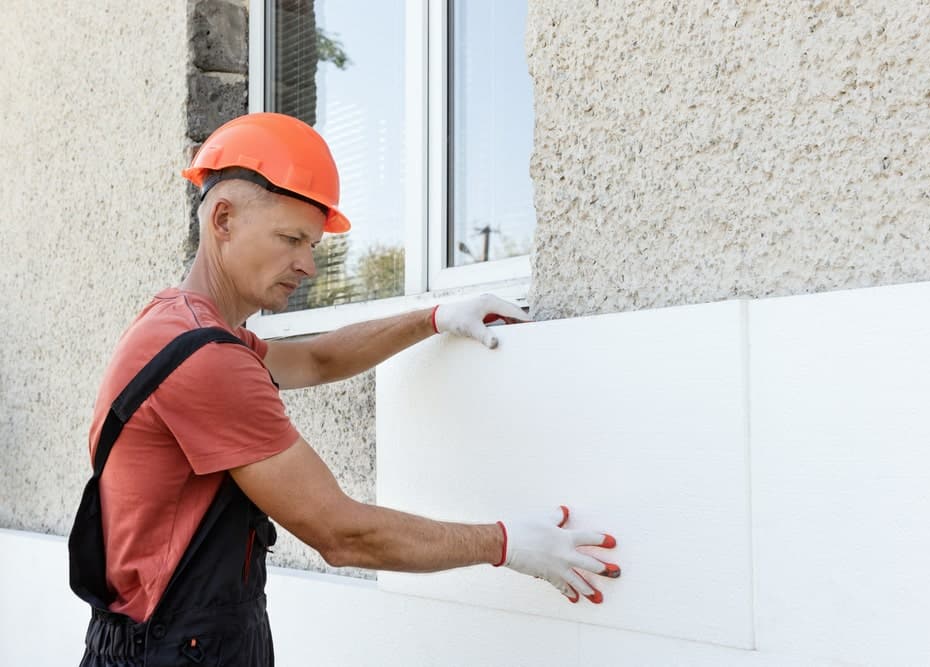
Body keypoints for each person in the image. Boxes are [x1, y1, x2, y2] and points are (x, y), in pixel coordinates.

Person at [69, 112, 620, 666]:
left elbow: (315, 357)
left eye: (311, 244)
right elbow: (341, 533)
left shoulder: (183, 327)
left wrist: (436, 317)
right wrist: (508, 543)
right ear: (223, 220)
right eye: (291, 239)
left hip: (169, 640)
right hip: (172, 651)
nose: (307, 264)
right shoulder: (207, 359)